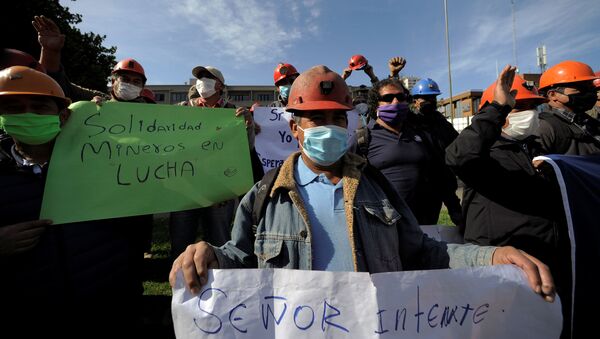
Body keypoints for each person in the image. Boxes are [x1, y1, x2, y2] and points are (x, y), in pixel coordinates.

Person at [169, 65, 555, 306]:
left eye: (338, 118)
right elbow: (240, 257)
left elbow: (424, 253)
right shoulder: (266, 196)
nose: (329, 128)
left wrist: (491, 256)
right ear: (294, 129)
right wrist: (209, 254)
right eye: (315, 119)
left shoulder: (376, 187)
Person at [0, 66, 143, 335]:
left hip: (107, 306)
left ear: (63, 116)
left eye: (39, 107)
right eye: (14, 107)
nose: (27, 114)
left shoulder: (106, 163)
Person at [445, 69, 571, 336]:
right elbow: (457, 156)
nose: (529, 113)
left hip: (544, 267)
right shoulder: (482, 155)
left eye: (531, 106)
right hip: (502, 271)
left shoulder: (535, 149)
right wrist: (498, 108)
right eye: (519, 107)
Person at [168, 65, 264, 258]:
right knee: (180, 238)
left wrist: (248, 125)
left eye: (207, 77)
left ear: (220, 85)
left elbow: (246, 149)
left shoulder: (234, 113)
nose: (202, 80)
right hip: (185, 188)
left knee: (219, 240)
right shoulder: (182, 110)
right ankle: (180, 281)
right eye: (200, 77)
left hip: (220, 192)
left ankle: (219, 282)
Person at [348, 77, 456, 226]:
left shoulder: (422, 135)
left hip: (425, 226)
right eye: (388, 98)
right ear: (376, 104)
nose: (395, 102)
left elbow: (440, 175)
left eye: (400, 97)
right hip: (384, 227)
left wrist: (455, 209)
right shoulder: (362, 139)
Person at [410, 77, 463, 228]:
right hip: (421, 186)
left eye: (432, 97)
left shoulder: (442, 123)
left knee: (456, 220)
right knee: (419, 225)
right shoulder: (410, 123)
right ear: (415, 101)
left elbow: (457, 144)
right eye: (425, 98)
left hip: (444, 181)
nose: (429, 101)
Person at [32, 15, 106, 101]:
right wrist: (50, 51)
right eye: (122, 76)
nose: (125, 84)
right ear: (113, 81)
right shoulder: (101, 99)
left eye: (126, 77)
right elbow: (56, 86)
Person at [537, 60, 600, 155]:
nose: (589, 93)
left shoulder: (588, 121)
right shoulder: (544, 127)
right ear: (553, 95)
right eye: (580, 88)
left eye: (591, 88)